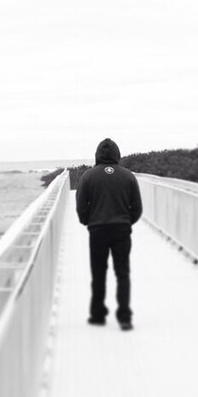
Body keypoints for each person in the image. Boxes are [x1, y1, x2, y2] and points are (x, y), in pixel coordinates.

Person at [76, 138, 142, 331]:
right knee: (122, 273)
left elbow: (81, 206)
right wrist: (127, 222)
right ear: (117, 155)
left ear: (97, 155)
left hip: (97, 230)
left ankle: (97, 315)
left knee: (98, 273)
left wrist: (88, 221)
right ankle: (124, 317)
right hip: (121, 229)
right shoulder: (128, 176)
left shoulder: (88, 176)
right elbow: (137, 207)